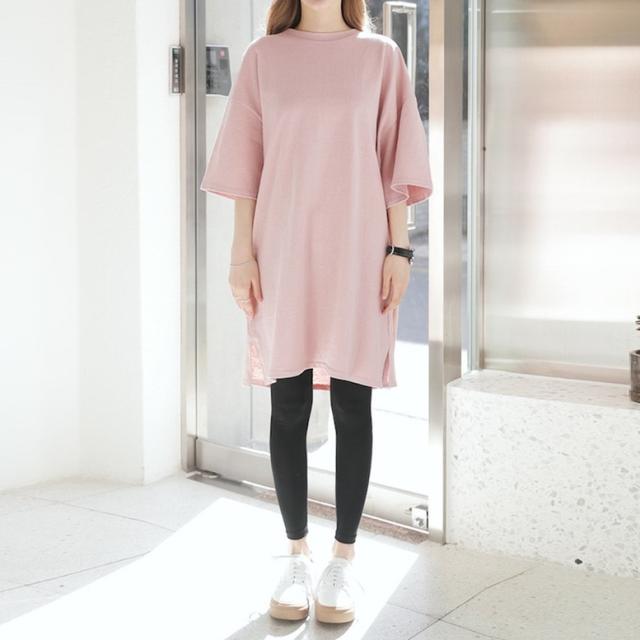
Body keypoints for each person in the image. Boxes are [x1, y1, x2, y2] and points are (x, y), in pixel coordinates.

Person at [199, 0, 432, 625]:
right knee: (288, 402)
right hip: (282, 250)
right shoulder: (264, 57)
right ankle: (297, 555)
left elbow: (395, 161)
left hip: (359, 250)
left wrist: (400, 248)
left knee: (354, 403)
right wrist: (241, 254)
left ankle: (344, 561)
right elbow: (244, 165)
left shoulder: (379, 57)